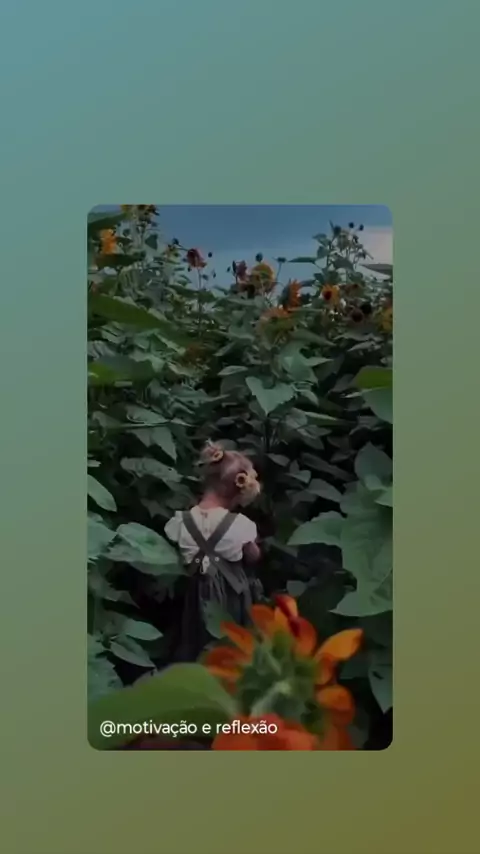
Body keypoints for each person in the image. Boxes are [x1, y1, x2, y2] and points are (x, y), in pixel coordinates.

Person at [164, 441, 262, 662]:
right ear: (238, 493)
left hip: (193, 593)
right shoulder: (240, 525)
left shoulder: (181, 521)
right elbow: (253, 556)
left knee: (193, 636)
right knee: (231, 639)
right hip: (231, 594)